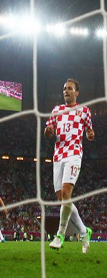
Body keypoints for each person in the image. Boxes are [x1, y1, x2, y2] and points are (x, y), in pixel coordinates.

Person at [44, 78, 94, 252]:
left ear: (77, 92)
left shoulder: (84, 111)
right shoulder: (56, 110)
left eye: (70, 88)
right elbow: (48, 132)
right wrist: (48, 132)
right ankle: (84, 231)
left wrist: (90, 134)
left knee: (66, 193)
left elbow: (89, 130)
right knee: (62, 200)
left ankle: (60, 235)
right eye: (65, 88)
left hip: (74, 155)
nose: (66, 91)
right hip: (58, 156)